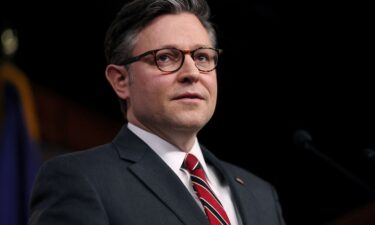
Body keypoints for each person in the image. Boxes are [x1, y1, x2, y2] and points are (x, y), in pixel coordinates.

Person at [28, 0, 287, 224]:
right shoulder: (80, 179)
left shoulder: (261, 194)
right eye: (165, 57)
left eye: (202, 57)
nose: (192, 73)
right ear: (120, 80)